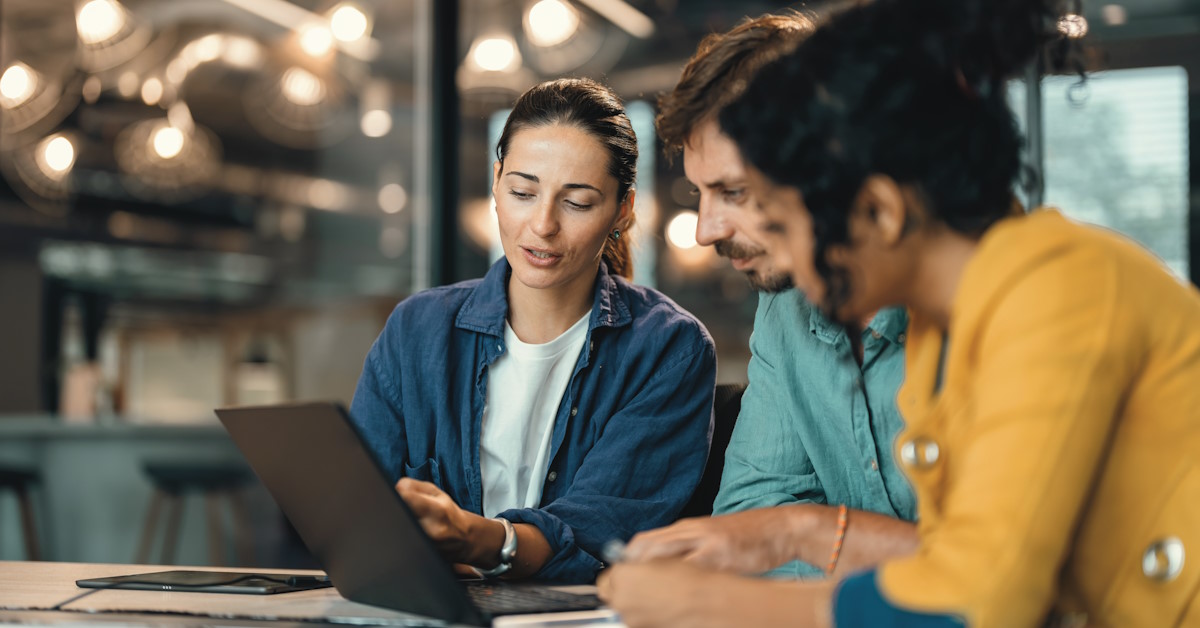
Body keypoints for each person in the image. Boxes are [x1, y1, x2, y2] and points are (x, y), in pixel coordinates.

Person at [599, 0, 1200, 625]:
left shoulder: (1061, 291)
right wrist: (779, 535)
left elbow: (971, 605)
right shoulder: (951, 328)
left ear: (881, 212)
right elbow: (946, 559)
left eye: (787, 223)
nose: (794, 272)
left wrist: (711, 603)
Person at [350, 78, 717, 585]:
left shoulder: (668, 348)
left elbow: (601, 534)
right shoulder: (417, 330)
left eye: (579, 203)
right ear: (496, 183)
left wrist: (476, 539)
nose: (542, 225)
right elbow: (358, 517)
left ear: (622, 210)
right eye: (523, 191)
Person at [623, 13, 917, 580]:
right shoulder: (786, 309)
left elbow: (989, 577)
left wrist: (801, 534)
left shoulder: (989, 306)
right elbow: (746, 522)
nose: (705, 230)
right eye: (699, 192)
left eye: (734, 191)